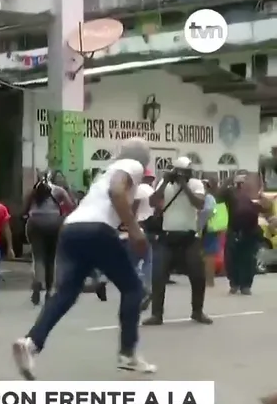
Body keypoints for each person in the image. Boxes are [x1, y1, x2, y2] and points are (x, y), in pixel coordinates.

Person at [12, 138, 156, 380]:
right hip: (96, 229)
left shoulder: (104, 173)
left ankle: (31, 343)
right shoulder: (132, 165)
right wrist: (134, 229)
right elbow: (117, 192)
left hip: (71, 229)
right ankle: (128, 354)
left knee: (66, 293)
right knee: (133, 289)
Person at [142, 156, 211, 326]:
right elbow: (152, 202)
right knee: (158, 276)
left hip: (189, 237)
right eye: (178, 172)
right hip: (167, 236)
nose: (181, 175)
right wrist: (165, 182)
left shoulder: (195, 184)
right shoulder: (165, 183)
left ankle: (197, 311)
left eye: (184, 173)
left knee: (198, 275)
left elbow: (199, 204)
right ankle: (156, 315)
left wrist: (184, 185)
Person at [22, 169, 74, 305]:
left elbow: (25, 210)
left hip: (35, 224)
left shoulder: (32, 192)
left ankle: (38, 282)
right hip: (54, 224)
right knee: (51, 258)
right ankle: (49, 290)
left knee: (38, 256)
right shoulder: (59, 191)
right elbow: (71, 206)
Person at [221, 172, 273, 295]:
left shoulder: (255, 195)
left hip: (250, 232)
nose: (243, 184)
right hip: (234, 230)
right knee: (231, 259)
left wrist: (264, 200)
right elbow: (219, 194)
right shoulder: (231, 193)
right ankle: (234, 283)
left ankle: (245, 285)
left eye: (245, 181)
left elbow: (266, 209)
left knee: (248, 260)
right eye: (240, 181)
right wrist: (228, 180)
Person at [118, 168, 155, 305]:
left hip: (137, 228)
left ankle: (142, 289)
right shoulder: (152, 191)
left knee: (131, 262)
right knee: (148, 261)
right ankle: (147, 287)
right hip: (150, 227)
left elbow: (132, 212)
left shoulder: (139, 190)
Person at [199, 180, 223, 287]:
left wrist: (200, 225)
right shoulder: (211, 198)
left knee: (208, 256)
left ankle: (209, 281)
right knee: (207, 255)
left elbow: (208, 212)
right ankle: (208, 280)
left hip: (208, 229)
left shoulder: (208, 198)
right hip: (211, 228)